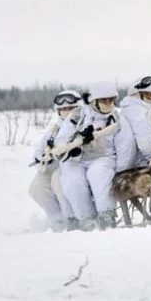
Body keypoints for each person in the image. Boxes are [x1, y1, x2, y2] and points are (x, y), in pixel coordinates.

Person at [56, 82, 137, 230]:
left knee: (99, 175)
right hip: (77, 160)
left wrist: (121, 171)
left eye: (111, 100)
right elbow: (61, 141)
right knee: (72, 182)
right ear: (94, 101)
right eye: (104, 100)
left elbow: (126, 146)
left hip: (103, 157)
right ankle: (86, 219)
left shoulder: (116, 120)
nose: (108, 103)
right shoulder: (76, 117)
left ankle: (107, 216)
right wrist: (70, 148)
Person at [28, 89, 82, 231]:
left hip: (76, 165)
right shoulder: (55, 129)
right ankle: (57, 219)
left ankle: (73, 219)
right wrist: (41, 157)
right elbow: (40, 149)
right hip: (56, 166)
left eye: (70, 108)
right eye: (63, 109)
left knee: (58, 180)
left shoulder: (83, 123)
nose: (66, 111)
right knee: (36, 188)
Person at [119, 75, 151, 219]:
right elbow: (148, 146)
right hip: (136, 166)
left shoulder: (141, 110)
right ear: (136, 93)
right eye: (147, 94)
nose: (150, 98)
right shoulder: (136, 112)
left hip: (139, 161)